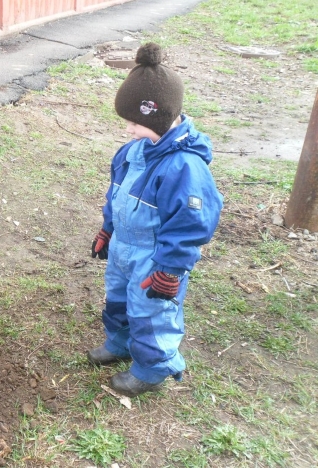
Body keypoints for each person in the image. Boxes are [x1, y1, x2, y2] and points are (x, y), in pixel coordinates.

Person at [88, 43, 223, 397]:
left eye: (136, 122)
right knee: (117, 297)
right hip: (123, 247)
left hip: (154, 256)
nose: (130, 129)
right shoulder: (133, 152)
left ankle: (152, 367)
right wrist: (107, 228)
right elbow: (116, 194)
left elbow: (191, 226)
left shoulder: (185, 168)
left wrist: (171, 268)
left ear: (159, 118)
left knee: (151, 312)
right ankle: (119, 342)